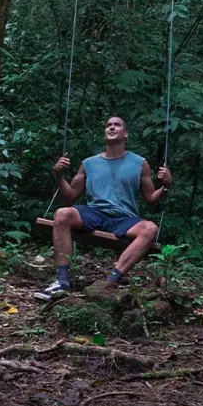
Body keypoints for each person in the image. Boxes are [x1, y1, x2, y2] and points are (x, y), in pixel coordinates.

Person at [35, 116, 172, 301]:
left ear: (126, 134)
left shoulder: (139, 163)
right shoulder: (89, 163)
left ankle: (110, 282)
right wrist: (58, 175)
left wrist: (166, 186)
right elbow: (70, 196)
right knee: (62, 214)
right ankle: (62, 282)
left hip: (124, 218)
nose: (112, 127)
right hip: (95, 213)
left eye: (117, 125)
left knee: (150, 229)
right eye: (108, 125)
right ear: (105, 133)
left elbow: (151, 200)